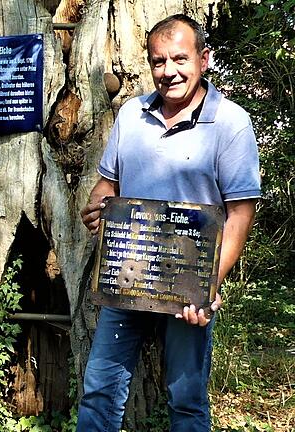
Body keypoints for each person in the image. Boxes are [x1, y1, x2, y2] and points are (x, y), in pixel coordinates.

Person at [76, 14, 260, 432]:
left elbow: (240, 215)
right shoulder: (130, 115)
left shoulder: (231, 123)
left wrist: (209, 284)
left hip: (188, 288)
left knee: (186, 402)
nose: (169, 71)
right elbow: (107, 186)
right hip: (128, 278)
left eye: (180, 58)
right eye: (159, 61)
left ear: (204, 58)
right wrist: (98, 207)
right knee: (100, 392)